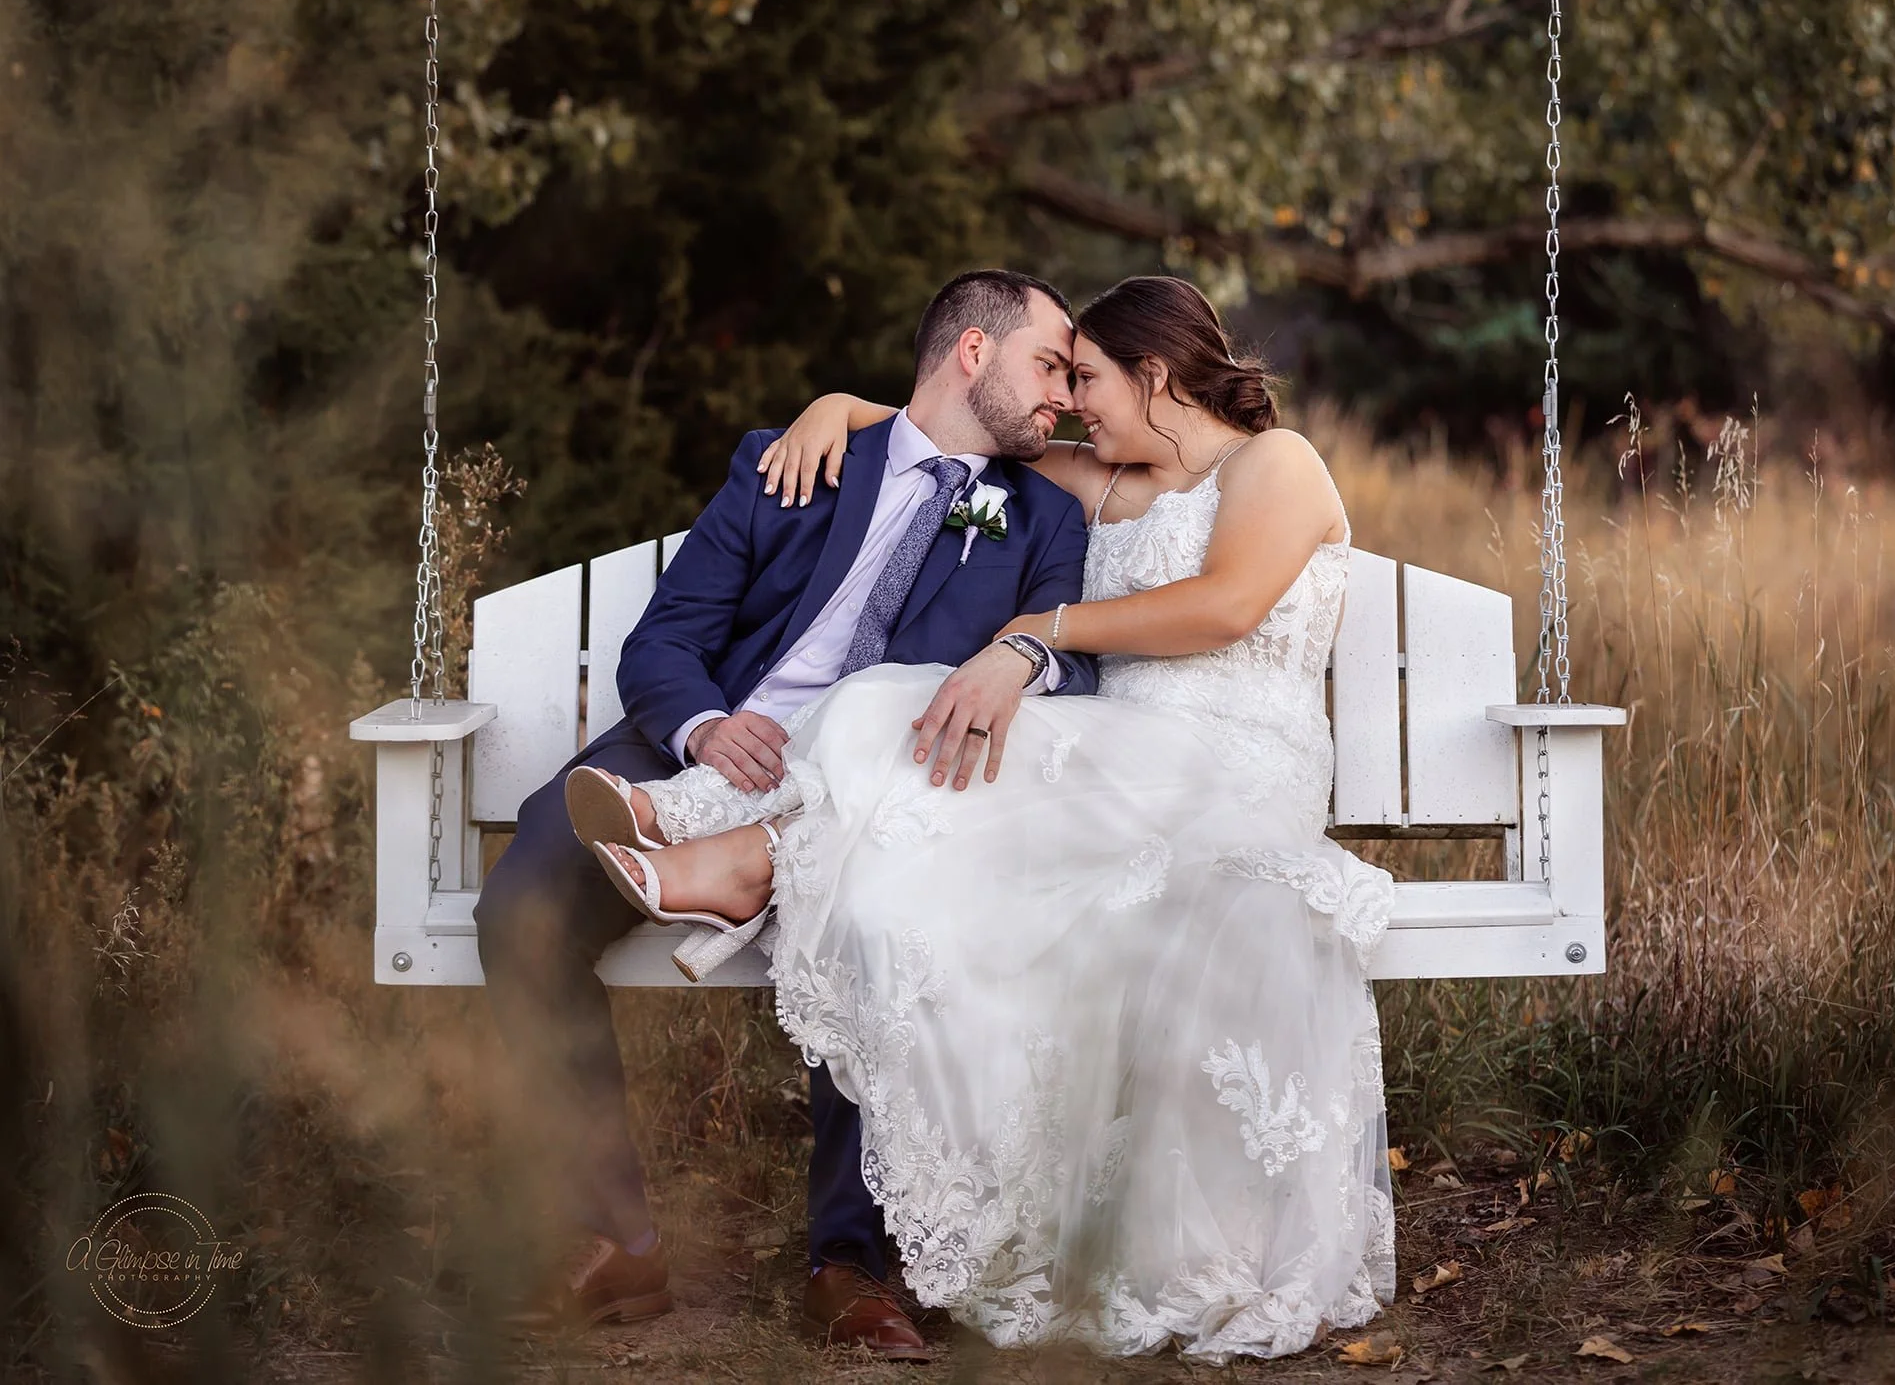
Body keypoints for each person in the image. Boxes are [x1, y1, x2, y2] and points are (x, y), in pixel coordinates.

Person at [574, 275, 1398, 1360]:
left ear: (1154, 375)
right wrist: (837, 407)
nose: (1070, 404)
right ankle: (735, 844)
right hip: (1100, 767)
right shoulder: (1099, 475)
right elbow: (942, 424)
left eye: (1085, 378)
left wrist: (1032, 633)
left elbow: (1228, 605)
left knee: (907, 711)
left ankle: (736, 849)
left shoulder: (1273, 463)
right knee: (902, 744)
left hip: (1228, 769)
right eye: (1063, 376)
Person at [472, 269, 1099, 1355]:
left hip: (878, 790)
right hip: (718, 740)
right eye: (1049, 363)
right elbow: (665, 639)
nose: (1065, 394)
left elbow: (1073, 666)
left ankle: (849, 1261)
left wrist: (1020, 656)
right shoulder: (793, 464)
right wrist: (705, 727)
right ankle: (612, 1236)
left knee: (876, 915)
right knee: (522, 903)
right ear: (973, 351)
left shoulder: (1042, 513)